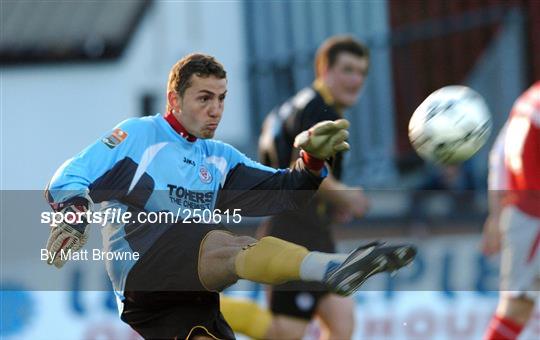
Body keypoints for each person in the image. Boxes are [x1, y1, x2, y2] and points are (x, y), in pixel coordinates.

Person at [44, 53, 416, 340]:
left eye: (222, 98)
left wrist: (312, 159)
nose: (216, 110)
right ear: (173, 98)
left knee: (227, 247)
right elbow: (70, 175)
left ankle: (330, 267)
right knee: (228, 242)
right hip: (145, 272)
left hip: (185, 300)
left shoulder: (220, 158)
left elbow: (287, 193)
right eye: (204, 98)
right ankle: (330, 268)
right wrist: (75, 214)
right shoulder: (139, 136)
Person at [222, 35, 372, 339]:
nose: (356, 80)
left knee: (342, 322)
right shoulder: (322, 112)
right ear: (324, 70)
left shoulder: (291, 107)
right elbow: (302, 172)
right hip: (294, 233)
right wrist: (347, 197)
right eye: (347, 70)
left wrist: (329, 203)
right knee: (285, 332)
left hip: (306, 227)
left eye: (361, 72)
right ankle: (194, 303)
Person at [482, 81, 540, 340]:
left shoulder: (530, 98)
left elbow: (500, 153)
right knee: (516, 308)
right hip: (533, 218)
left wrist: (496, 216)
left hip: (524, 214)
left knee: (517, 308)